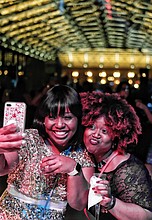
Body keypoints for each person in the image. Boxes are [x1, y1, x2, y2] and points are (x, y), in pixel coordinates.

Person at [0, 84, 94, 219]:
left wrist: (74, 169)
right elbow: (3, 169)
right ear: (43, 120)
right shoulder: (29, 139)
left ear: (78, 120)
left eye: (67, 117)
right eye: (52, 117)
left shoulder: (82, 155)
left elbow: (78, 204)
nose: (60, 124)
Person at [80, 91, 152, 220]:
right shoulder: (88, 157)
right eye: (91, 127)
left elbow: (147, 216)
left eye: (104, 131)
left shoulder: (128, 169)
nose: (96, 134)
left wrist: (111, 202)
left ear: (116, 136)